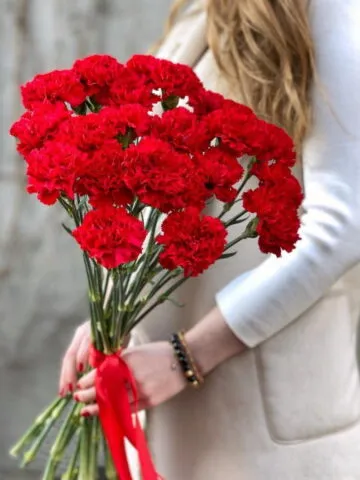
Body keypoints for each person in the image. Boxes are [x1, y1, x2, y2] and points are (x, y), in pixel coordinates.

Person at [59, 1, 360, 478]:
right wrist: (107, 320)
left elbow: (345, 222)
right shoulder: (199, 14)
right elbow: (161, 194)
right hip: (163, 407)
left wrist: (188, 357)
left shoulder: (328, 9)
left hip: (264, 422)